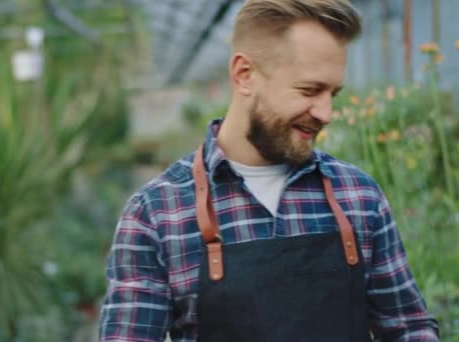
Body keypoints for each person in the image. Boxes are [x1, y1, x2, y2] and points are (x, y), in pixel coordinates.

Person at [99, 0, 440, 341]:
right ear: (244, 75)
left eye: (333, 93)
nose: (326, 112)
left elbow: (408, 327)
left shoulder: (358, 195)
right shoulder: (157, 213)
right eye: (310, 90)